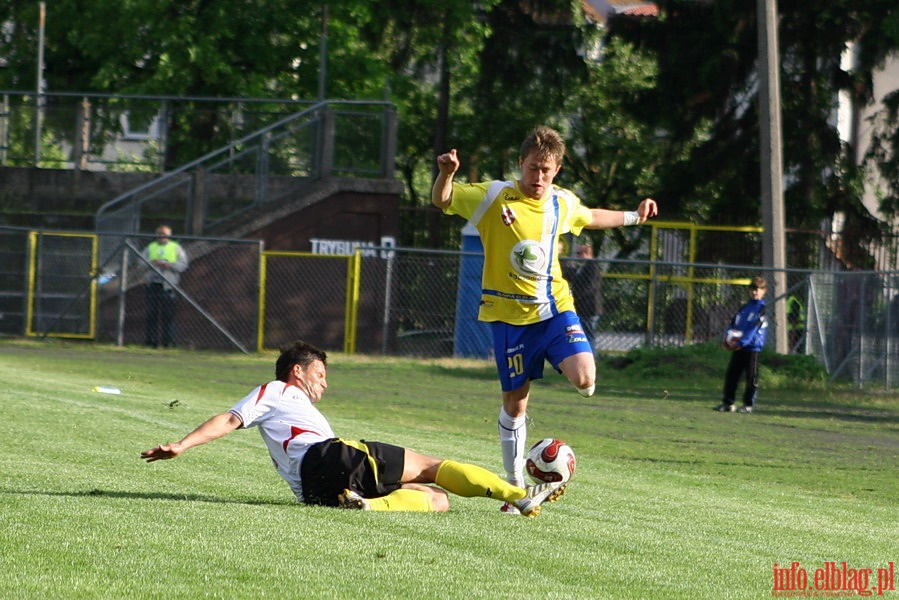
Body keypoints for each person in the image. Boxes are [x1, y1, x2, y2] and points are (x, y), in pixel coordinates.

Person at [431, 126, 658, 512]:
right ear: (521, 163)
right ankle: (516, 487)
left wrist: (634, 216)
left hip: (554, 309)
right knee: (516, 405)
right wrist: (447, 173)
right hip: (508, 318)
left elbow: (592, 216)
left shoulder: (562, 203)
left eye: (547, 170)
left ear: (557, 170)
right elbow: (443, 200)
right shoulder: (493, 196)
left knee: (586, 380)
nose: (539, 177)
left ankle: (545, 455)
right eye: (533, 168)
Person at [141, 340, 566, 517]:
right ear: (297, 371)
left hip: (316, 492)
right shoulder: (276, 390)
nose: (324, 381)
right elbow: (230, 419)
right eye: (320, 373)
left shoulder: (290, 409)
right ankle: (520, 496)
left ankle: (365, 505)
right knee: (433, 467)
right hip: (328, 456)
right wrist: (183, 443)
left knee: (438, 502)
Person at [717, 276, 768, 414]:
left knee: (752, 377)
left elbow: (753, 329)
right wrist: (727, 340)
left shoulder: (762, 309)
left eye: (758, 289)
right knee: (732, 375)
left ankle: (748, 404)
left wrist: (741, 343)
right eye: (752, 289)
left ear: (764, 291)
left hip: (752, 348)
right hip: (738, 347)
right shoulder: (745, 307)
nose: (754, 292)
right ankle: (728, 403)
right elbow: (733, 324)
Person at [143, 225, 189, 348]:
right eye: (160, 234)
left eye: (164, 234)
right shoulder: (150, 247)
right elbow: (141, 262)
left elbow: (183, 265)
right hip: (153, 284)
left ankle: (168, 341)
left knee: (168, 315)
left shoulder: (176, 248)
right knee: (152, 314)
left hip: (168, 285)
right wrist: (151, 263)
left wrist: (169, 265)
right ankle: (151, 341)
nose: (162, 236)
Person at [560, 240, 601, 351]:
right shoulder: (582, 267)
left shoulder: (592, 267)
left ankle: (591, 358)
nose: (577, 256)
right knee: (581, 334)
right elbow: (569, 273)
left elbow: (589, 287)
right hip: (582, 308)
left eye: (579, 253)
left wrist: (574, 295)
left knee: (588, 336)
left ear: (586, 253)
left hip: (589, 308)